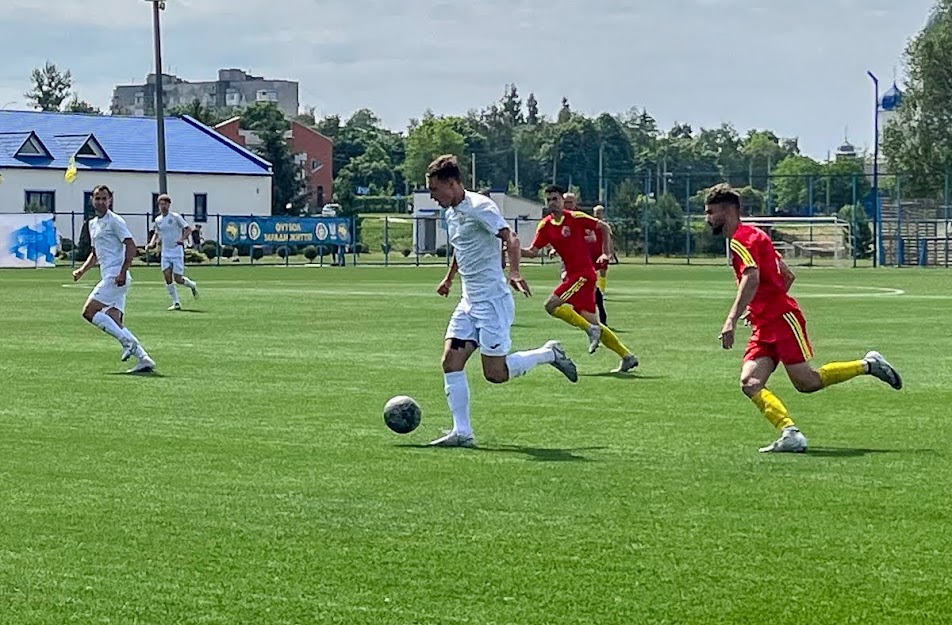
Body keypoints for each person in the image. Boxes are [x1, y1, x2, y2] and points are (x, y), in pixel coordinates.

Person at [704, 183, 902, 453]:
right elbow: (787, 276)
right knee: (750, 383)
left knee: (806, 383)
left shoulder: (741, 240)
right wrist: (760, 307)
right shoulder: (755, 236)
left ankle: (868, 364)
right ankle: (790, 433)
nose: (708, 218)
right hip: (766, 322)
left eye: (710, 212)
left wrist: (731, 320)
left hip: (782, 321)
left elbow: (752, 276)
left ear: (727, 211)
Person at [429, 155, 578, 448]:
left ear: (452, 183)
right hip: (468, 301)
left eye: (435, 190)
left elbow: (510, 238)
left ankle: (549, 353)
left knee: (495, 375)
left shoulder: (480, 208)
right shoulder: (451, 213)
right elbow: (462, 247)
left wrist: (514, 271)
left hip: (492, 302)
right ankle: (463, 432)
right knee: (450, 361)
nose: (433, 197)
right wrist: (449, 279)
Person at [522, 186, 638, 373]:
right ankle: (627, 356)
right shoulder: (545, 226)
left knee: (550, 305)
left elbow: (604, 227)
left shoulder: (575, 218)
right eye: (549, 200)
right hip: (574, 276)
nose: (552, 203)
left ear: (562, 200)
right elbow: (533, 252)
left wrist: (606, 253)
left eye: (555, 199)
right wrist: (512, 248)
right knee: (594, 322)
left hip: (584, 275)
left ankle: (590, 331)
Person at [72, 185, 156, 373]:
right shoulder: (92, 224)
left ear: (110, 200)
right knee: (114, 320)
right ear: (92, 200)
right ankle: (144, 359)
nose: (100, 202)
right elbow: (95, 253)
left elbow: (131, 246)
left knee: (89, 311)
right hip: (111, 275)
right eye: (97, 198)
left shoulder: (115, 221)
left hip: (117, 276)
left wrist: (122, 272)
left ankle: (127, 343)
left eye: (104, 198)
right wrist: (82, 271)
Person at [147, 194, 199, 310]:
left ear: (169, 205)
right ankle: (176, 303)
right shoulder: (158, 220)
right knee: (167, 276)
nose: (163, 206)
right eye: (161, 204)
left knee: (178, 279)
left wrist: (182, 239)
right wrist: (151, 244)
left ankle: (191, 285)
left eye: (165, 204)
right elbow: (157, 233)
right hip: (165, 252)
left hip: (176, 251)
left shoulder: (175, 217)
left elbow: (188, 229)